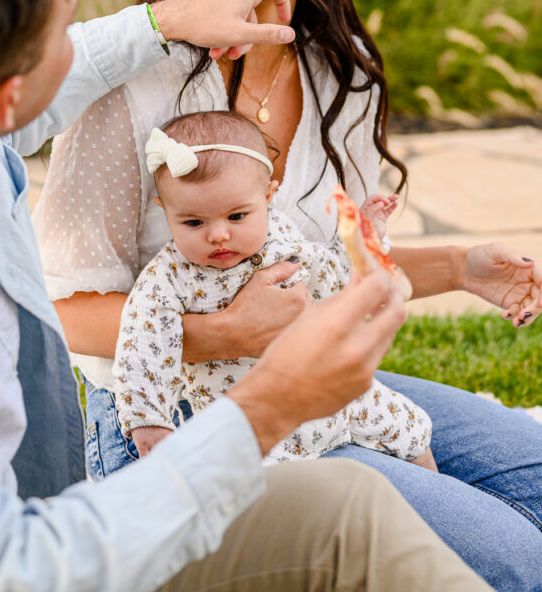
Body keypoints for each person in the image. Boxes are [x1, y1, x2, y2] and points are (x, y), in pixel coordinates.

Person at [0, 0, 506, 592]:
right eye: (66, 30)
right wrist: (267, 401)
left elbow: (62, 79)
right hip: (49, 558)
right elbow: (8, 578)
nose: (84, 48)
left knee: (384, 510)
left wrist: (163, 19)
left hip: (61, 502)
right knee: (504, 560)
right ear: (6, 96)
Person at [35, 0, 542, 592]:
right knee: (505, 557)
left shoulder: (339, 73)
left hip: (317, 379)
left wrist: (460, 266)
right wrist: (224, 333)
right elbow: (64, 310)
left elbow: (326, 274)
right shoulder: (133, 87)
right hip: (171, 415)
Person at [113, 110, 434, 469]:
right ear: (165, 211)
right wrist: (149, 419)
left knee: (408, 424)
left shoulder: (281, 237)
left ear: (268, 196)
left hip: (332, 388)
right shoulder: (170, 276)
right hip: (258, 420)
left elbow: (330, 271)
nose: (218, 234)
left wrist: (366, 239)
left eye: (237, 217)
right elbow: (142, 343)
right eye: (193, 222)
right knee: (272, 489)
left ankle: (434, 489)